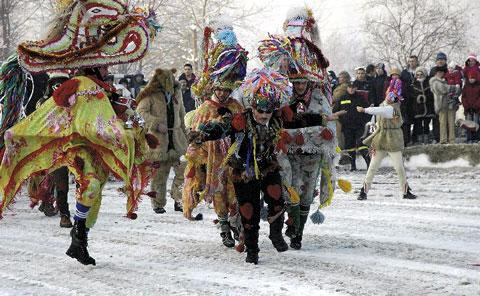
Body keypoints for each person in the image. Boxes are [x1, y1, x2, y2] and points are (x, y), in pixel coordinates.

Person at [0, 1, 160, 265]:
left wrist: (140, 132)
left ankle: (79, 237)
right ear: (94, 65)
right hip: (78, 147)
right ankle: (77, 235)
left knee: (92, 192)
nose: (108, 69)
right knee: (90, 186)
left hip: (100, 151)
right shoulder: (78, 84)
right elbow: (52, 109)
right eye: (104, 66)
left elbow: (127, 117)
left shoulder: (110, 93)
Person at [189, 68, 342, 264]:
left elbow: (297, 120)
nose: (264, 115)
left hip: (268, 166)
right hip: (244, 171)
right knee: (249, 212)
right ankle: (252, 250)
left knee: (277, 201)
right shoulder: (240, 120)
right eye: (260, 111)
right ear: (253, 108)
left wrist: (321, 119)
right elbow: (221, 128)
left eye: (268, 111)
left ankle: (276, 234)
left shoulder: (276, 118)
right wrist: (202, 134)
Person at [183, 18, 247, 248]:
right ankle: (223, 227)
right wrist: (198, 160)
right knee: (219, 193)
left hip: (235, 159)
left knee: (236, 193)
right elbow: (195, 137)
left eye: (226, 89)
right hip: (213, 161)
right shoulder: (204, 109)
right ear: (213, 88)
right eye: (219, 89)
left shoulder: (236, 106)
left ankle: (234, 221)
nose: (222, 93)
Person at [357, 74, 417, 200]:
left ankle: (405, 191)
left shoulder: (393, 109)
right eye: (389, 95)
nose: (390, 98)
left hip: (393, 140)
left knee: (399, 167)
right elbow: (376, 115)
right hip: (380, 140)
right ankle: (364, 190)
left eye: (392, 96)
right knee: (373, 166)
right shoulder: (383, 105)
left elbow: (380, 111)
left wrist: (364, 110)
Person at [137, 68, 187, 214]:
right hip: (159, 142)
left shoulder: (177, 92)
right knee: (159, 175)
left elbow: (181, 113)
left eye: (171, 78)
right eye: (166, 79)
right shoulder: (150, 94)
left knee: (183, 170)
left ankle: (179, 199)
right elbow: (140, 113)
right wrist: (156, 123)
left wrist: (185, 133)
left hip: (177, 140)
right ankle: (158, 203)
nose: (169, 82)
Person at [333, 82, 371, 171]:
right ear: (347, 88)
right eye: (350, 87)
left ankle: (369, 164)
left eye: (353, 87)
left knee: (361, 144)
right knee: (349, 146)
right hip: (347, 127)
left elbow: (368, 110)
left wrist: (364, 121)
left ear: (356, 88)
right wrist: (342, 120)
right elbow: (335, 111)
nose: (351, 89)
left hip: (359, 126)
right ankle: (353, 166)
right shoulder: (342, 98)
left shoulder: (360, 98)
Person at [430, 66, 461, 144]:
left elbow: (457, 90)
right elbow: (443, 89)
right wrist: (454, 87)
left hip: (450, 104)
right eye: (438, 72)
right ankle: (443, 140)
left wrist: (456, 89)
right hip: (441, 105)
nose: (440, 73)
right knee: (443, 123)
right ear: (436, 73)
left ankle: (452, 140)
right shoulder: (434, 81)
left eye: (442, 72)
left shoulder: (445, 80)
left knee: (451, 123)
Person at [409, 67, 435, 144]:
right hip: (417, 108)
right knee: (418, 125)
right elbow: (411, 95)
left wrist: (426, 97)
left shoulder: (429, 83)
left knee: (426, 124)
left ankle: (426, 139)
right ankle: (419, 139)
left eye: (421, 74)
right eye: (417, 75)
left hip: (428, 107)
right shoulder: (413, 84)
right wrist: (417, 97)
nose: (419, 76)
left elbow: (432, 94)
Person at [461, 71, 480, 143]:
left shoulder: (478, 86)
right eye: (470, 78)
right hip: (468, 109)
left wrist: (476, 106)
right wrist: (467, 106)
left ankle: (476, 138)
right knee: (468, 123)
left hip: (476, 109)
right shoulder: (466, 86)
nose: (471, 79)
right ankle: (469, 138)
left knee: (476, 123)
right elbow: (463, 97)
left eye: (473, 78)